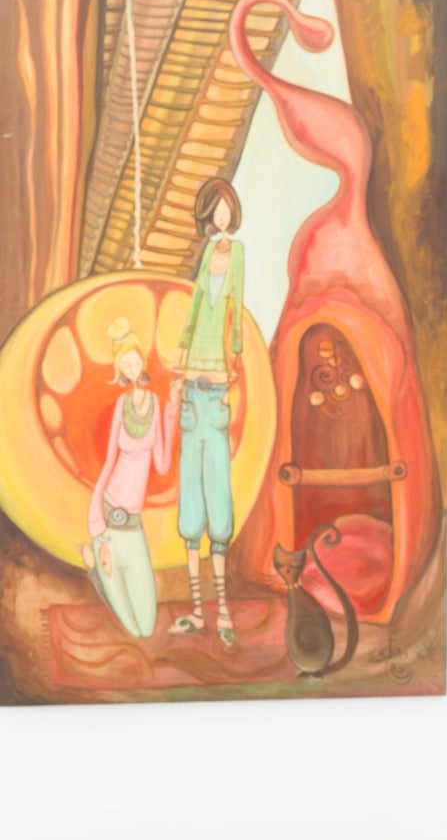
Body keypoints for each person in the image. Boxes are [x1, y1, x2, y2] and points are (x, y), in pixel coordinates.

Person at [167, 177, 246, 646]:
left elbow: (236, 302)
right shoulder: (206, 254)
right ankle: (198, 610)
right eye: (214, 209)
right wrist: (181, 351)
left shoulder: (237, 254)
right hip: (193, 371)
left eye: (225, 208)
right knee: (190, 503)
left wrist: (235, 355)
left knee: (218, 495)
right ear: (207, 214)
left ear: (232, 211)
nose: (220, 215)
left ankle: (224, 612)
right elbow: (197, 303)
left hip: (217, 377)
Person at [81, 318, 182, 638]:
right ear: (120, 370)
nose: (131, 366)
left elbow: (162, 465)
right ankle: (95, 567)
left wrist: (173, 411)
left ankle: (95, 569)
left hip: (134, 525)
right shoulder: (121, 405)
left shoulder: (156, 403)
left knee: (145, 627)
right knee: (129, 624)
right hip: (109, 516)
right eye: (124, 364)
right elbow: (109, 462)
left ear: (142, 358)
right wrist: (97, 525)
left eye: (133, 359)